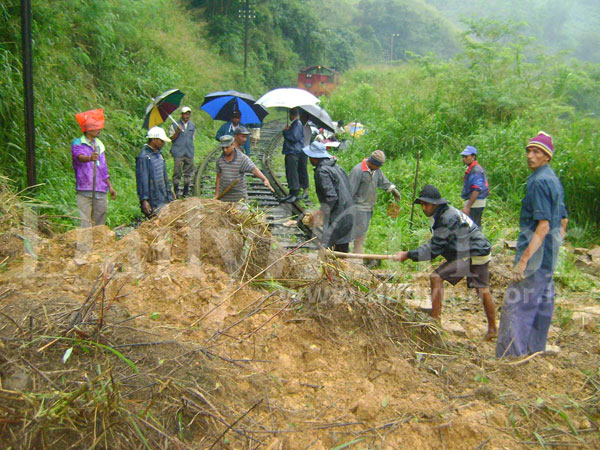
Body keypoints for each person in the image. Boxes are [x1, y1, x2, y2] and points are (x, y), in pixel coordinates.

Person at [496, 132, 568, 358]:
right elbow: (563, 220)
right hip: (548, 258)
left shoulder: (538, 182)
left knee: (517, 306)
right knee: (541, 307)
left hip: (534, 258)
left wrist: (524, 260)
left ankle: (511, 358)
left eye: (537, 152)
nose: (530, 155)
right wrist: (553, 248)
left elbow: (543, 225)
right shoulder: (553, 179)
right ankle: (533, 352)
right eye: (528, 150)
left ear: (547, 157)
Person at [393, 184, 497, 340]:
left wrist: (408, 255)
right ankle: (493, 328)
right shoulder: (443, 215)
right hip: (475, 249)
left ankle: (435, 324)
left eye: (425, 204)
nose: (423, 208)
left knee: (437, 277)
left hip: (473, 251)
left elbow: (434, 248)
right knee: (481, 289)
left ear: (435, 204)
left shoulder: (447, 218)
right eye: (421, 204)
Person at [303, 142, 355, 253]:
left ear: (314, 158)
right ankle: (342, 268)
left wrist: (320, 213)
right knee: (342, 248)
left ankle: (331, 269)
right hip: (349, 212)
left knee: (328, 249)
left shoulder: (322, 171)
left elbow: (331, 197)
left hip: (337, 216)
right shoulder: (337, 167)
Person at [348, 150, 401, 255]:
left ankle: (356, 252)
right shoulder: (358, 171)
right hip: (359, 207)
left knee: (362, 232)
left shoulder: (376, 171)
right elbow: (350, 191)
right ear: (372, 163)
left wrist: (393, 189)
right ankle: (356, 254)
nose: (379, 169)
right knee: (358, 233)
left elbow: (383, 180)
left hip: (369, 207)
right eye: (378, 166)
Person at [71, 108, 117, 228]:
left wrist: (110, 186)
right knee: (85, 222)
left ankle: (99, 245)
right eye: (96, 127)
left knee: (99, 223)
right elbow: (79, 156)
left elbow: (103, 167)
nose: (99, 130)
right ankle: (85, 245)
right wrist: (89, 158)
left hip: (100, 189)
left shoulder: (99, 144)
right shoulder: (78, 143)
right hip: (84, 188)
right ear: (88, 129)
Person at [214, 135, 273, 202]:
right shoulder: (220, 160)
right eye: (223, 148)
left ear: (233, 145)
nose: (225, 150)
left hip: (239, 198)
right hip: (224, 198)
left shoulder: (242, 159)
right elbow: (219, 177)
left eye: (227, 147)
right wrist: (216, 195)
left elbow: (254, 169)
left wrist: (264, 179)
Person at [136, 127, 174, 218]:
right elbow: (142, 180)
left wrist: (170, 192)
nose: (163, 143)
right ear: (154, 140)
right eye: (161, 141)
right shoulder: (144, 157)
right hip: (153, 199)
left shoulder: (159, 155)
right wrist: (144, 200)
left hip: (163, 196)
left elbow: (164, 176)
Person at [169, 106, 196, 198]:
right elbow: (171, 139)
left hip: (189, 152)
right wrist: (178, 131)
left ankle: (186, 191)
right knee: (177, 172)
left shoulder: (192, 126)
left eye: (188, 114)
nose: (187, 116)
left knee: (188, 173)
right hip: (178, 152)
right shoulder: (174, 124)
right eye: (185, 114)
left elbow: (193, 138)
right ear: (181, 114)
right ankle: (176, 191)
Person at [460, 146, 489, 227]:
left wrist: (468, 207)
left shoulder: (476, 170)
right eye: (463, 157)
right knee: (473, 226)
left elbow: (476, 190)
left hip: (475, 203)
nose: (464, 159)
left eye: (466, 156)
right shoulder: (472, 169)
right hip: (474, 202)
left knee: (473, 227)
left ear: (473, 157)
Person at [281, 108, 304, 203]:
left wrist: (285, 132)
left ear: (291, 114)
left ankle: (295, 193)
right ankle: (291, 192)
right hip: (290, 151)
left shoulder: (297, 124)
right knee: (290, 173)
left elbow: (294, 137)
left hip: (293, 152)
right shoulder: (295, 124)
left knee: (293, 173)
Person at [298, 111, 312, 199]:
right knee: (299, 169)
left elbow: (302, 140)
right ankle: (300, 187)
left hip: (304, 151)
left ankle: (305, 190)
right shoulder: (302, 126)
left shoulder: (306, 128)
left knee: (303, 170)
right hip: (300, 150)